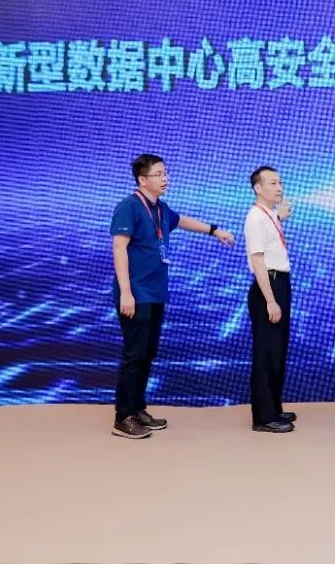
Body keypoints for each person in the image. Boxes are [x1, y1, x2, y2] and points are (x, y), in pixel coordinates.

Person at [109, 153, 235, 439]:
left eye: (165, 173)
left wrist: (214, 230)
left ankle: (138, 409)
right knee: (134, 354)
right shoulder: (129, 207)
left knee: (147, 352)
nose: (165, 179)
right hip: (136, 293)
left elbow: (182, 221)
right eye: (159, 174)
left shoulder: (161, 208)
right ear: (142, 180)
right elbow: (119, 248)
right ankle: (123, 417)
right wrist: (126, 292)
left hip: (156, 292)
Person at [244, 166, 296, 433]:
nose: (279, 187)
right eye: (273, 183)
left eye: (280, 182)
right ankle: (263, 417)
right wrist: (270, 300)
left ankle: (273, 407)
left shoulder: (268, 215)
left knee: (277, 350)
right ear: (258, 188)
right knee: (266, 353)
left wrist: (280, 217)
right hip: (269, 286)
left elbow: (271, 235)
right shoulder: (255, 218)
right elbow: (258, 260)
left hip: (279, 283)